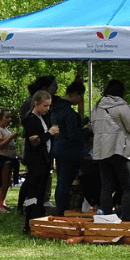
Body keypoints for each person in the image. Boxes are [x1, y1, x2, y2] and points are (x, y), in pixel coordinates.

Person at [90, 79, 130, 220]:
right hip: (119, 149)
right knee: (128, 186)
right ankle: (126, 219)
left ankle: (107, 219)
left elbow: (93, 128)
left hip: (101, 151)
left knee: (106, 187)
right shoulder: (121, 106)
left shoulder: (96, 107)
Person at [17, 90, 59, 233]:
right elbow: (35, 142)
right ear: (37, 103)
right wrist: (50, 133)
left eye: (49, 106)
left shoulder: (44, 118)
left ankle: (39, 219)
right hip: (35, 161)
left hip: (45, 160)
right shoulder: (30, 119)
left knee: (41, 192)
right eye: (45, 106)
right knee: (33, 193)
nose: (47, 109)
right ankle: (29, 221)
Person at [51, 78, 89, 213]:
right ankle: (62, 211)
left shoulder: (56, 107)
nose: (80, 100)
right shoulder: (68, 111)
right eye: (80, 96)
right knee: (65, 183)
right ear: (74, 94)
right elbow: (73, 134)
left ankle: (61, 210)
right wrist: (88, 130)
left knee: (61, 182)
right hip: (69, 150)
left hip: (59, 147)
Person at [0, 109, 21, 213]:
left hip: (10, 159)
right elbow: (0, 145)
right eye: (7, 117)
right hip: (2, 160)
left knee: (7, 182)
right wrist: (11, 137)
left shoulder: (6, 129)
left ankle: (3, 203)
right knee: (1, 183)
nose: (9, 119)